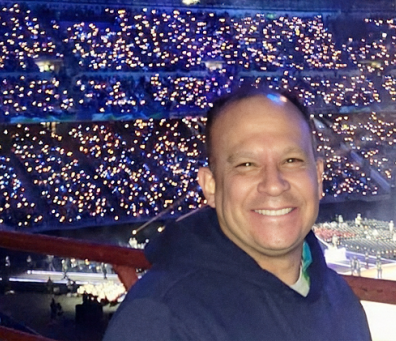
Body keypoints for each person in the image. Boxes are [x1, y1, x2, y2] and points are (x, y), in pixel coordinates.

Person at [104, 89, 371, 341]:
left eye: (292, 161)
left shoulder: (340, 299)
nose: (274, 184)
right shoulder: (160, 321)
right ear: (211, 187)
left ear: (319, 177)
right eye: (247, 164)